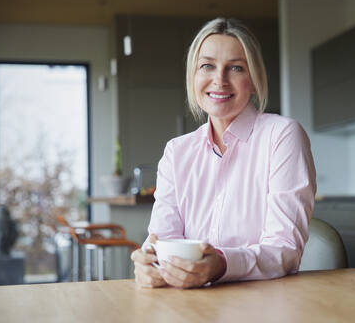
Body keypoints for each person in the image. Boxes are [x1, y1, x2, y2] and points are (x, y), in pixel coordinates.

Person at [130, 17, 316, 289]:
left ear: (253, 80)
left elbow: (285, 249)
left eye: (236, 68)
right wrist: (149, 263)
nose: (219, 80)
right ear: (193, 77)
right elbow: (162, 237)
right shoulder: (176, 152)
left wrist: (222, 264)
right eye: (207, 66)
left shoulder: (282, 136)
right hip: (189, 306)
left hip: (266, 304)